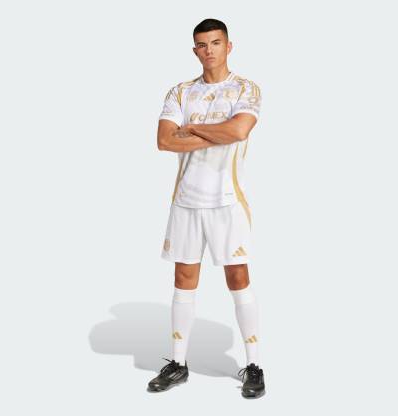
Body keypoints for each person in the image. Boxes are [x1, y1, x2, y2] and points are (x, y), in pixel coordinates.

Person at [147, 18, 265, 399]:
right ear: (195, 50)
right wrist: (216, 132)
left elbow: (239, 130)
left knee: (238, 277)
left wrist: (193, 130)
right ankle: (178, 363)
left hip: (227, 201)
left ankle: (254, 365)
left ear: (229, 46)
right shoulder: (181, 92)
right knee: (183, 278)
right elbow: (164, 140)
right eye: (202, 44)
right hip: (186, 200)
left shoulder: (245, 88)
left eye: (216, 43)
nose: (209, 50)